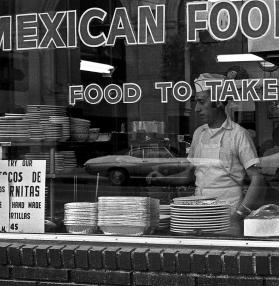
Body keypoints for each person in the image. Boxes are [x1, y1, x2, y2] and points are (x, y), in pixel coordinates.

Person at [147, 73, 265, 235]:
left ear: (218, 102)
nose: (196, 109)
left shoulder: (239, 134)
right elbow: (189, 175)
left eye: (202, 102)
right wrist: (161, 179)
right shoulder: (199, 133)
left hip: (227, 218)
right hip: (199, 216)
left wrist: (238, 216)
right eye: (196, 102)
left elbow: (257, 179)